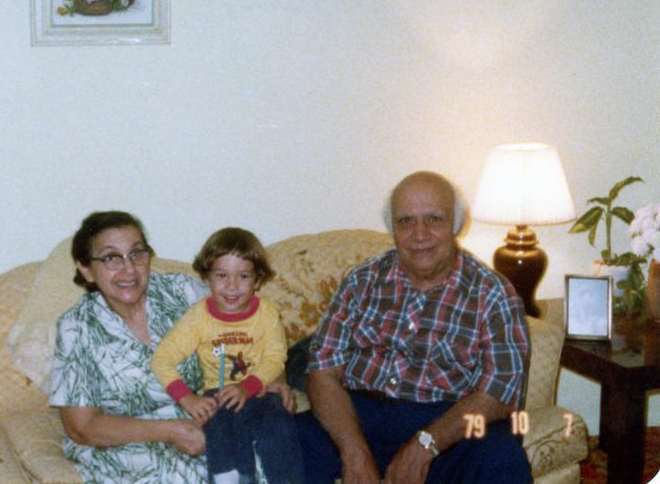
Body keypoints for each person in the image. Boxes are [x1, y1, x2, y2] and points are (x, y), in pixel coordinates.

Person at [295, 171, 532, 484]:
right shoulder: (362, 280)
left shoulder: (492, 293)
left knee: (502, 455)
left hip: (448, 423)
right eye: (405, 221)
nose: (419, 234)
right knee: (286, 440)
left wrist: (426, 445)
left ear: (456, 224)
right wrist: (354, 451)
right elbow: (322, 371)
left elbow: (500, 392)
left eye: (434, 219)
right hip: (359, 417)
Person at [50, 211, 291, 484]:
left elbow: (256, 335)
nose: (129, 269)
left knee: (274, 457)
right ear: (86, 269)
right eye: (111, 258)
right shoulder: (76, 328)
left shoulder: (183, 292)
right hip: (128, 443)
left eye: (136, 253)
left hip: (212, 421)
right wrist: (171, 431)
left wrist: (275, 379)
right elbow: (82, 427)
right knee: (181, 475)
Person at [151, 227, 304, 484]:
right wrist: (187, 398)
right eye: (221, 275)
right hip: (218, 395)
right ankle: (230, 477)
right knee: (219, 427)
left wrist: (247, 388)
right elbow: (161, 359)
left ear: (257, 280)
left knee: (280, 425)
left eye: (243, 276)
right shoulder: (198, 316)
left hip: (259, 390)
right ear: (206, 278)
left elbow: (275, 357)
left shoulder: (266, 312)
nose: (232, 286)